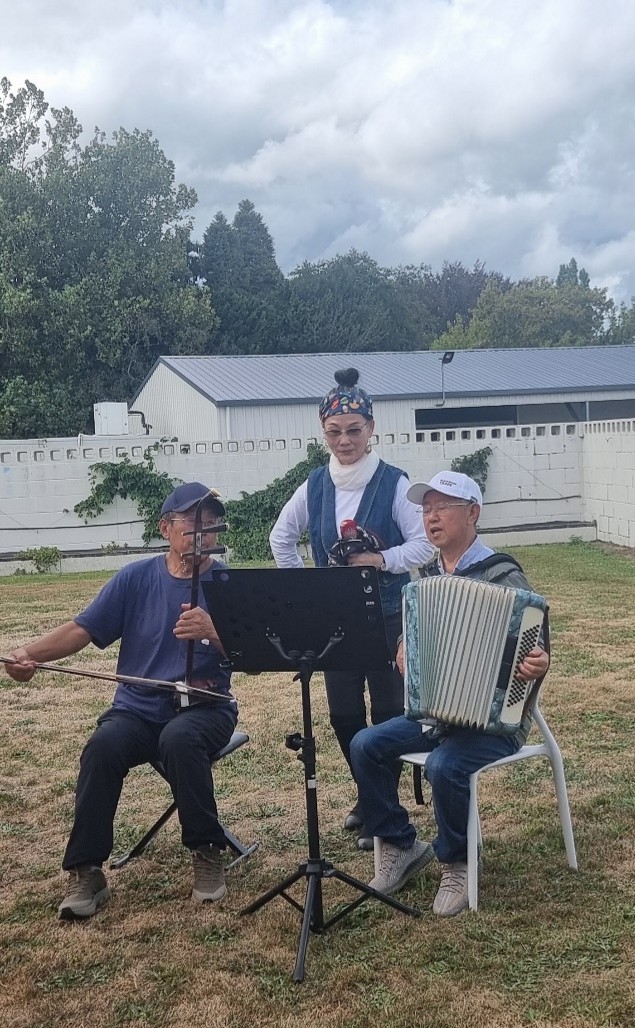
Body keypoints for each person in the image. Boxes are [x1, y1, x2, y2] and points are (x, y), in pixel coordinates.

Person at [3, 482, 238, 920]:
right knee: (103, 747)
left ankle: (206, 850)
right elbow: (81, 630)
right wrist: (28, 655)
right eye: (192, 521)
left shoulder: (227, 583)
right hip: (137, 708)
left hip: (206, 708)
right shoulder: (135, 577)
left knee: (180, 740)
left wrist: (213, 631)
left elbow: (257, 654)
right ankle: (86, 870)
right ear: (165, 527)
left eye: (210, 522)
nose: (202, 531)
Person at [349, 470, 550, 917]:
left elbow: (536, 648)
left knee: (444, 766)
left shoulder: (503, 572)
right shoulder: (424, 580)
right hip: (437, 715)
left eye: (443, 507)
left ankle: (456, 860)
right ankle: (401, 844)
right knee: (365, 745)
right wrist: (405, 649)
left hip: (494, 721)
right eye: (426, 509)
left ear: (473, 513)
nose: (432, 517)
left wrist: (537, 663)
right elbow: (413, 640)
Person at [269, 368, 433, 848]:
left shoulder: (395, 483)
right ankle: (371, 795)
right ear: (325, 433)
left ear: (371, 429)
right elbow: (281, 538)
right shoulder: (316, 485)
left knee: (387, 712)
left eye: (354, 430)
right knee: (343, 714)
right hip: (336, 622)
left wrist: (381, 559)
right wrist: (308, 590)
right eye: (335, 432)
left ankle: (381, 806)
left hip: (387, 614)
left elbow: (423, 544)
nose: (345, 440)